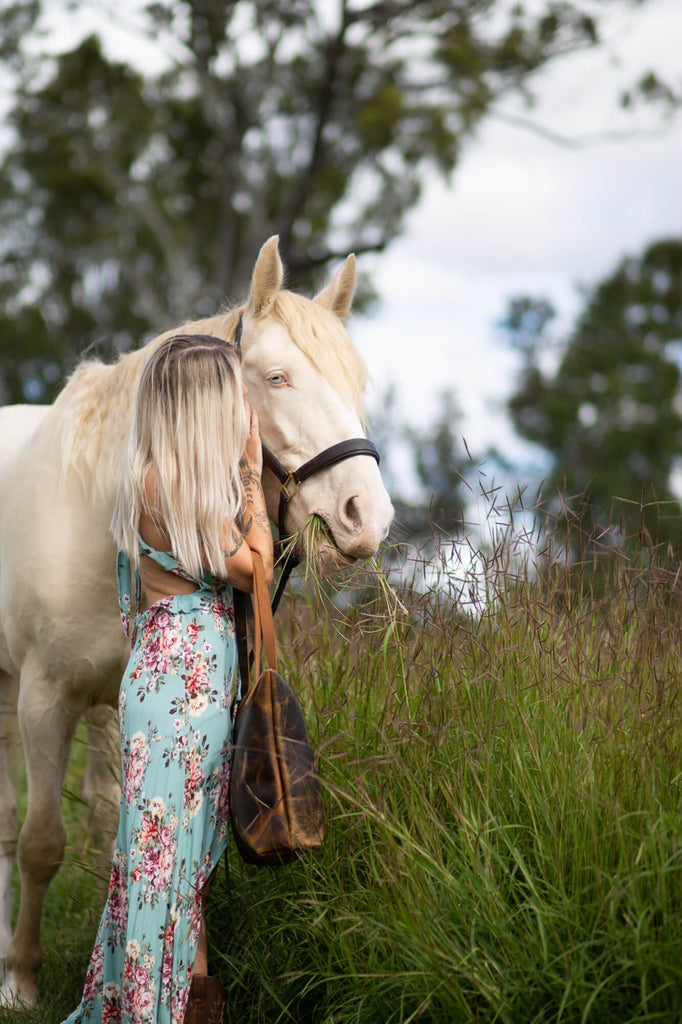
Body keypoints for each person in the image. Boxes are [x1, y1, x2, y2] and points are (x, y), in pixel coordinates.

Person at [62, 334, 274, 1024]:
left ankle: (174, 1009)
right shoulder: (174, 484)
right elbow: (257, 568)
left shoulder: (152, 476)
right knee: (166, 877)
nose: (244, 411)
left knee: (174, 874)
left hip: (172, 682)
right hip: (183, 690)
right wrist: (250, 475)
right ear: (202, 408)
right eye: (233, 398)